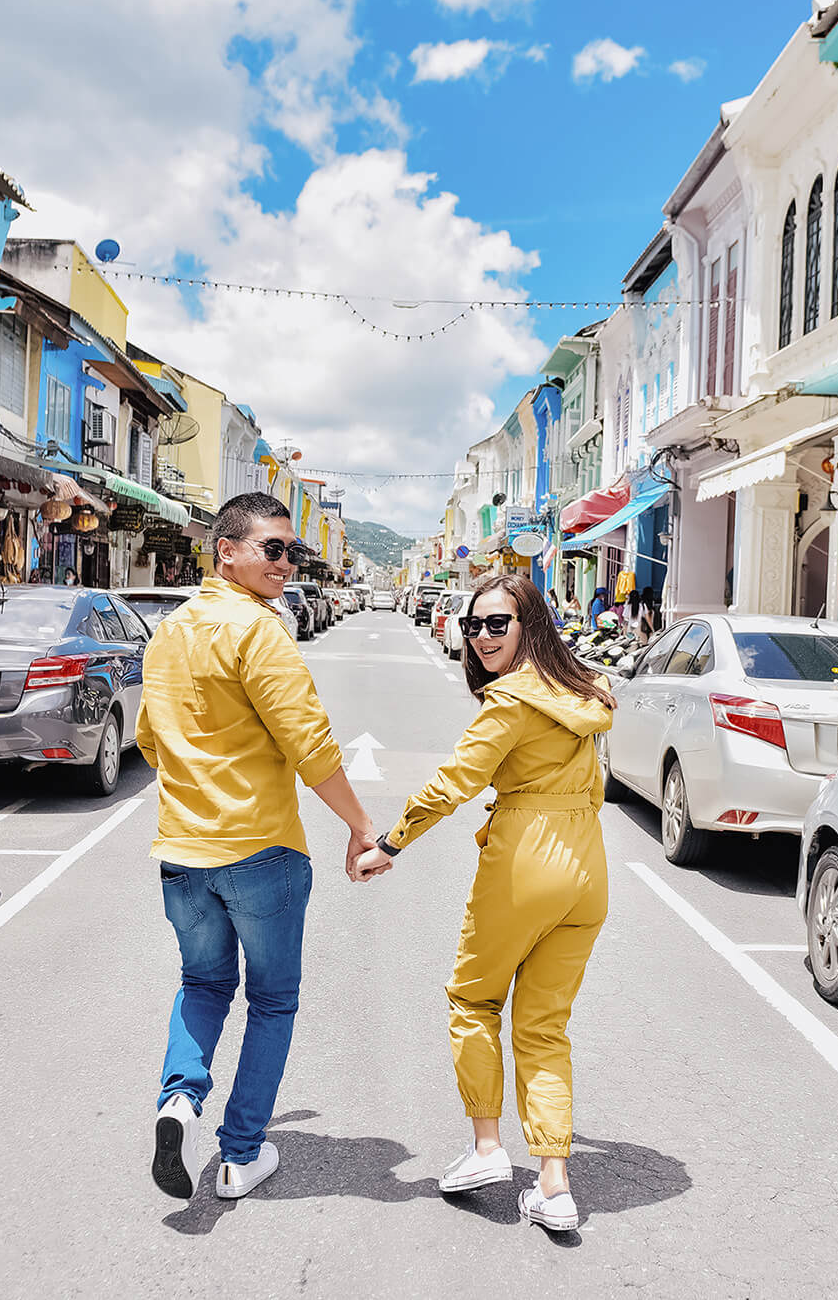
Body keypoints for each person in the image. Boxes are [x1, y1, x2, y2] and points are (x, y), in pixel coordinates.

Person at [354, 571, 616, 1234]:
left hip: (525, 859)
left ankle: (488, 1147)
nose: (480, 636)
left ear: (531, 626)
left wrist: (391, 840)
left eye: (498, 623)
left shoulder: (511, 704)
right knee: (544, 1027)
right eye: (473, 626)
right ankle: (554, 1186)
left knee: (474, 1000)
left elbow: (454, 783)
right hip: (587, 868)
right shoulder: (584, 691)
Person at [136, 490, 376, 1203]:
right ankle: (240, 1155)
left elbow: (150, 738)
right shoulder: (260, 631)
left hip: (182, 853)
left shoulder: (172, 631)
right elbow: (309, 743)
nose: (284, 562)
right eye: (271, 549)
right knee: (272, 1001)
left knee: (204, 984)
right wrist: (361, 827)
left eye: (291, 550)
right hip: (260, 851)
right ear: (227, 551)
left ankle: (178, 1102)